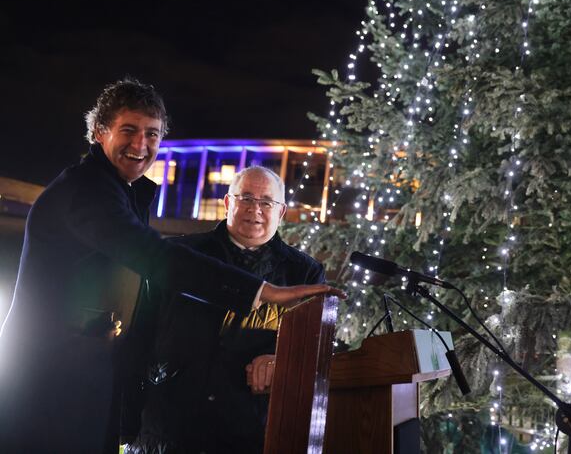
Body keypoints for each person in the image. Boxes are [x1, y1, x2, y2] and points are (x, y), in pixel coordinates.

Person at [0, 79, 342, 454]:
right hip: (56, 377)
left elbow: (317, 355)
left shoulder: (121, 193)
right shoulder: (87, 190)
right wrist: (262, 291)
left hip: (92, 381)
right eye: (128, 130)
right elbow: (153, 259)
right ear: (99, 132)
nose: (140, 145)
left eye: (152, 134)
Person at [126, 166, 323, 453]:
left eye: (266, 202)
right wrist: (127, 418)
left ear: (281, 213)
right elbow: (141, 331)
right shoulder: (180, 254)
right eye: (245, 198)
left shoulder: (304, 273)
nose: (254, 209)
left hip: (251, 429)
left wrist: (281, 359)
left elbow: (315, 351)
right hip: (170, 422)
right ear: (228, 203)